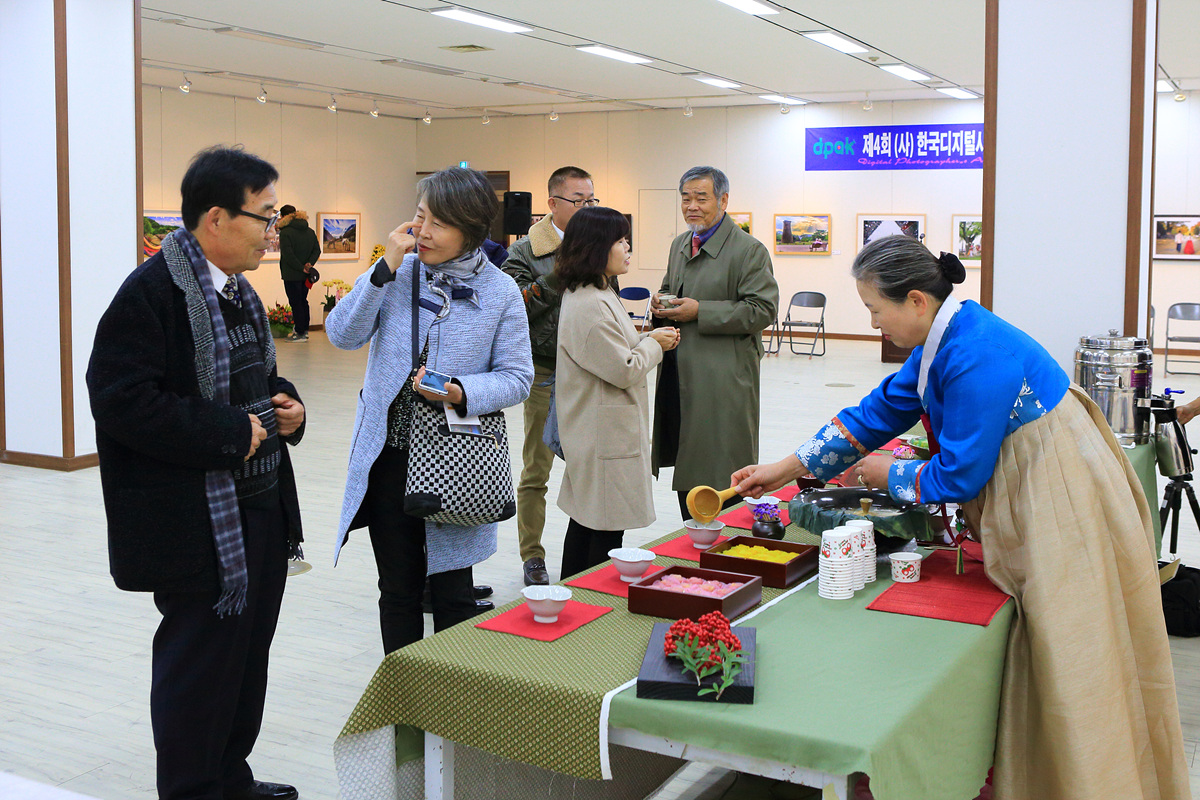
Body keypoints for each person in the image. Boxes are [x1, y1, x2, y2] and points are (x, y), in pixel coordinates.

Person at [732, 235, 1190, 800]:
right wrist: (784, 468)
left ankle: (1087, 778)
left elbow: (960, 475)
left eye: (875, 310)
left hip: (1057, 491)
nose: (873, 324)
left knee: (1071, 644)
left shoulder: (974, 353)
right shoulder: (944, 338)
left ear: (916, 301)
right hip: (1037, 483)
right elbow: (876, 412)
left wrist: (889, 474)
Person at [86, 146, 305, 800]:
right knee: (199, 668)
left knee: (245, 659)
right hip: (195, 520)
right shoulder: (152, 294)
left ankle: (228, 779)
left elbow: (254, 377)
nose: (272, 231)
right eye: (264, 217)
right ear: (216, 218)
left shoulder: (237, 291)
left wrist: (286, 404)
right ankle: (191, 789)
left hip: (257, 507)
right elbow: (121, 400)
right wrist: (229, 432)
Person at [327, 166, 532, 654]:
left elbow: (518, 377)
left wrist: (460, 391)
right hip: (388, 459)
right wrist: (382, 270)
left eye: (439, 223)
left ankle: (448, 694)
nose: (422, 231)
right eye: (420, 216)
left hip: (456, 461)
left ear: (471, 230)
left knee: (454, 594)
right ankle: (400, 694)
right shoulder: (397, 274)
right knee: (397, 590)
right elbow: (343, 334)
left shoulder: (501, 291)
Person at [554, 207, 679, 578]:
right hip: (603, 434)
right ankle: (589, 598)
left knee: (589, 522)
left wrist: (647, 338)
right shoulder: (591, 304)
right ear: (596, 247)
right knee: (602, 529)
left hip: (602, 429)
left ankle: (574, 593)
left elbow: (613, 350)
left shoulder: (596, 292)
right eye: (620, 241)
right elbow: (623, 368)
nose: (628, 248)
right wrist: (654, 344)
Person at [651, 165, 778, 520]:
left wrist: (700, 311)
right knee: (688, 458)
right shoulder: (680, 244)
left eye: (701, 198)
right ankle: (692, 535)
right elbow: (671, 288)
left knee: (723, 464)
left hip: (724, 378)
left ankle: (725, 540)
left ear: (723, 201)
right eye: (686, 198)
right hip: (681, 372)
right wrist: (661, 303)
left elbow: (762, 310)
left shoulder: (749, 251)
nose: (692, 206)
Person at [502, 166, 599, 585]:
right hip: (544, 372)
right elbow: (516, 308)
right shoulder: (524, 251)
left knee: (591, 467)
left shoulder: (597, 246)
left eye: (591, 200)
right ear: (553, 204)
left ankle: (590, 553)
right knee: (536, 471)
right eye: (579, 201)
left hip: (589, 371)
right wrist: (560, 272)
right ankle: (533, 556)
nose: (587, 207)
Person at [276, 205, 321, 342]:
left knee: (296, 303)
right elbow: (317, 250)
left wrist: (301, 268)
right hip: (306, 276)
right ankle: (304, 331)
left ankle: (299, 333)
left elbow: (288, 255)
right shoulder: (310, 231)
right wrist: (309, 265)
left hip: (291, 274)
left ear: (283, 216)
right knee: (303, 301)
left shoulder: (285, 232)